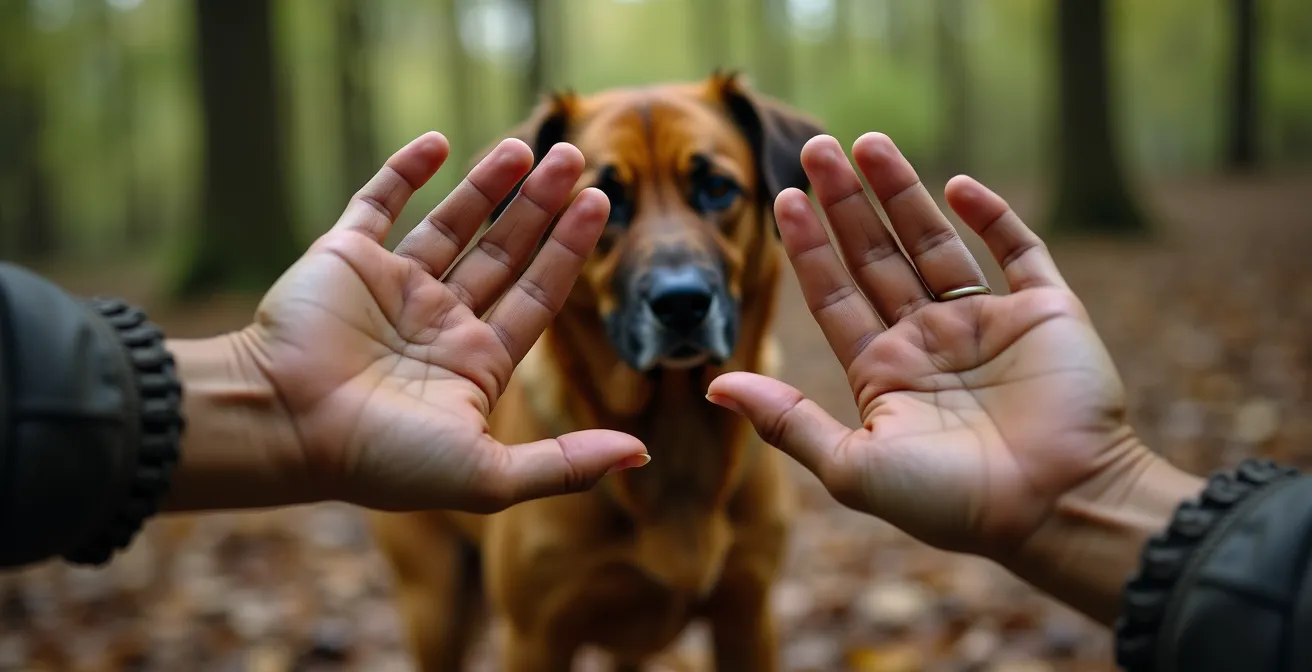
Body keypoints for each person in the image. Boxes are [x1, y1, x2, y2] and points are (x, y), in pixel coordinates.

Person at [0, 130, 1307, 670]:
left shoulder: (762, 475)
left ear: (765, 219)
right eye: (613, 207)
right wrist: (263, 403)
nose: (675, 257)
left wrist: (1084, 488)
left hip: (716, 471)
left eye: (713, 194)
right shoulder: (479, 432)